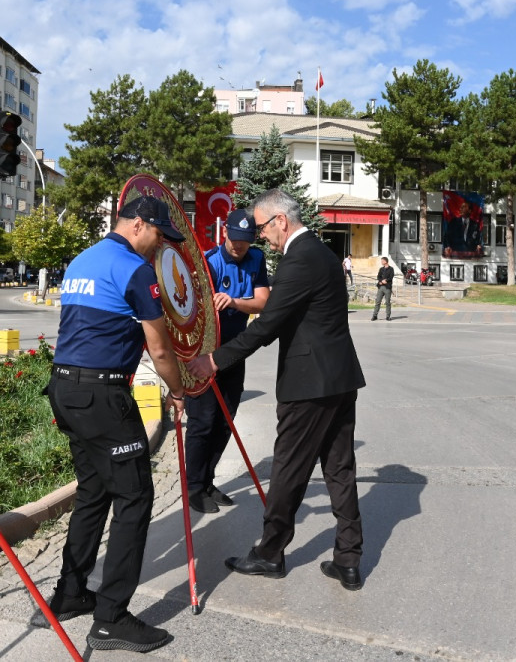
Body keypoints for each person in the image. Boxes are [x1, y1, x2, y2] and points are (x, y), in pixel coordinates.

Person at [186, 188, 367, 591]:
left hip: (309, 386)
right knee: (340, 469)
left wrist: (214, 360)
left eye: (264, 227)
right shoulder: (322, 254)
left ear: (281, 220)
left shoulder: (298, 260)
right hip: (340, 379)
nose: (262, 236)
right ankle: (348, 558)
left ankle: (270, 553)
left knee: (287, 470)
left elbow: (268, 326)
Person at [44, 195, 186, 654]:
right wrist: (179, 392)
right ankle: (111, 618)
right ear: (139, 225)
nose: (160, 245)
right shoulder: (133, 268)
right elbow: (159, 348)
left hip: (66, 389)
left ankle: (69, 593)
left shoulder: (82, 259)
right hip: (103, 396)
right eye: (159, 235)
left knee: (93, 491)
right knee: (134, 496)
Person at [184, 209, 271, 513]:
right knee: (202, 422)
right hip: (205, 354)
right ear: (225, 234)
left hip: (234, 353)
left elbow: (263, 301)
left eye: (245, 242)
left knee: (225, 422)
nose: (239, 246)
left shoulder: (256, 259)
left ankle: (207, 481)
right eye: (234, 240)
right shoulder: (208, 262)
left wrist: (234, 301)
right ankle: (192, 487)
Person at [372, 256, 395, 321]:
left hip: (387, 287)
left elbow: (391, 277)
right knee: (377, 302)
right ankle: (375, 315)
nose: (381, 262)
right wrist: (381, 281)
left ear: (386, 261)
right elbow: (378, 276)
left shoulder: (391, 269)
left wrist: (386, 281)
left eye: (382, 261)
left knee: (387, 302)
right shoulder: (381, 269)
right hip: (381, 287)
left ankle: (388, 316)